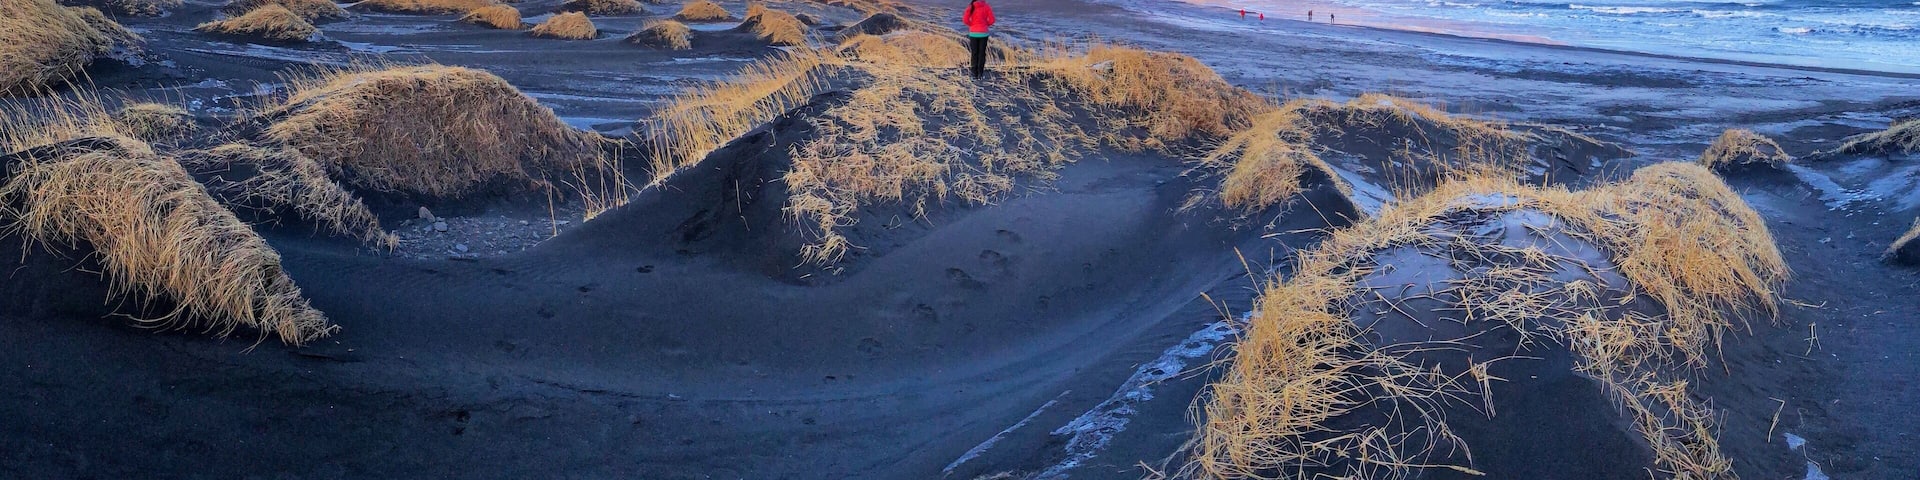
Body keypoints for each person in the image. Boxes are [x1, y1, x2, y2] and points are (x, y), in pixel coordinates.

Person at [963, 0, 996, 79]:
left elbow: (965, 20)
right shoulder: (987, 6)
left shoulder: (971, 7)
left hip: (973, 33)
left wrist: (972, 25)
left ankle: (974, 74)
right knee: (982, 53)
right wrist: (985, 24)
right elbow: (992, 20)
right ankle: (980, 74)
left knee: (974, 53)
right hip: (983, 33)